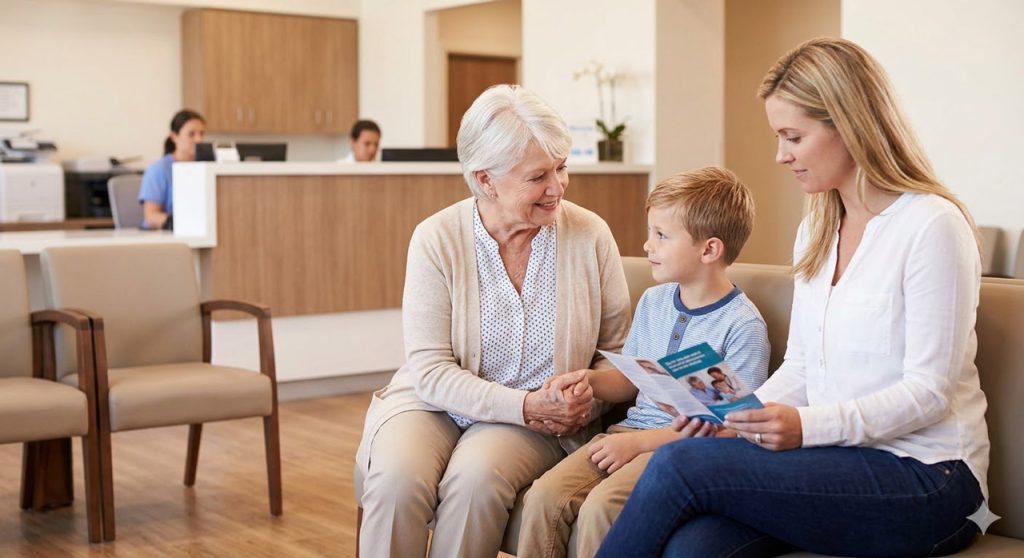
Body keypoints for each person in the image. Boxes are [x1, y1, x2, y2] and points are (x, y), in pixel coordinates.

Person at [598, 37, 989, 558]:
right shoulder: (817, 230)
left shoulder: (931, 226)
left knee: (676, 464)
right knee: (695, 548)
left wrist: (805, 426)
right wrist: (736, 417)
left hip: (930, 479)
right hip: (833, 463)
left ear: (849, 125)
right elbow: (804, 364)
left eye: (793, 137)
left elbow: (929, 392)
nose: (780, 156)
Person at [354, 84, 632, 558]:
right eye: (538, 176)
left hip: (533, 421)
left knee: (475, 482)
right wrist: (524, 404)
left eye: (562, 167)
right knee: (396, 480)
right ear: (485, 180)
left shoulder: (589, 236)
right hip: (434, 404)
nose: (558, 187)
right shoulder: (436, 239)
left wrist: (589, 392)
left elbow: (619, 352)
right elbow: (431, 371)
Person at [517, 167, 770, 558]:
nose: (647, 245)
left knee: (601, 509)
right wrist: (588, 380)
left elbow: (732, 430)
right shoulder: (655, 301)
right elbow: (631, 382)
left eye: (661, 236)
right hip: (624, 435)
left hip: (678, 451)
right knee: (543, 497)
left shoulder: (742, 325)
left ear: (709, 250)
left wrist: (640, 444)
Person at [138, 109, 205, 229]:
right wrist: (184, 223)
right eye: (191, 134)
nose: (199, 140)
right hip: (163, 236)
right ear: (174, 137)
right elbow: (151, 216)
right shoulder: (158, 170)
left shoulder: (205, 168)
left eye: (201, 134)